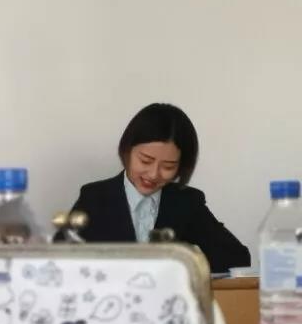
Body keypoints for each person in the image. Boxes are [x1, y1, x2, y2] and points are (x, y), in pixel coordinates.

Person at [65, 102, 249, 272]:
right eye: (145, 161)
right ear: (127, 151)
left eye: (168, 167)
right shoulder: (94, 198)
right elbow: (61, 260)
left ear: (181, 166)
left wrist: (182, 266)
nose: (153, 174)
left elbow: (237, 257)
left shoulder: (187, 202)